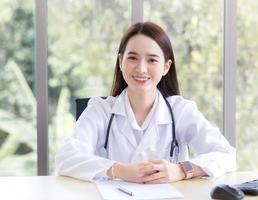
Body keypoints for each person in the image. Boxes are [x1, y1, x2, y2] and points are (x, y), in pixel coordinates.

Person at [55, 22, 236, 183]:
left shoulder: (181, 110)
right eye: (132, 58)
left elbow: (227, 155)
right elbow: (66, 158)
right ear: (120, 61)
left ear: (166, 67)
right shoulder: (100, 110)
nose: (141, 69)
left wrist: (181, 170)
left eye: (152, 60)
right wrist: (120, 170)